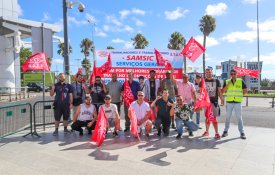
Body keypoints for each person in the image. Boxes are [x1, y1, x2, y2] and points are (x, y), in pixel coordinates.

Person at [222, 69, 247, 139]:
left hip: (237, 102)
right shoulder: (227, 81)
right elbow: (223, 91)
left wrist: (240, 95)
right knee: (228, 117)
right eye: (232, 74)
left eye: (234, 74)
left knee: (239, 117)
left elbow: (245, 90)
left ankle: (242, 132)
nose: (233, 75)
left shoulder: (240, 81)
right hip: (229, 102)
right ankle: (225, 131)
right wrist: (228, 84)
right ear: (230, 75)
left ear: (237, 74)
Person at [201, 68, 224, 139]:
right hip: (206, 103)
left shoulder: (216, 81)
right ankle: (207, 131)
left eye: (209, 72)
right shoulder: (203, 81)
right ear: (205, 73)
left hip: (214, 102)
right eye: (207, 72)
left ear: (212, 72)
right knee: (207, 117)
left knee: (213, 118)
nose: (208, 73)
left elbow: (219, 91)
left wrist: (222, 99)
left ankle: (216, 133)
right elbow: (201, 92)